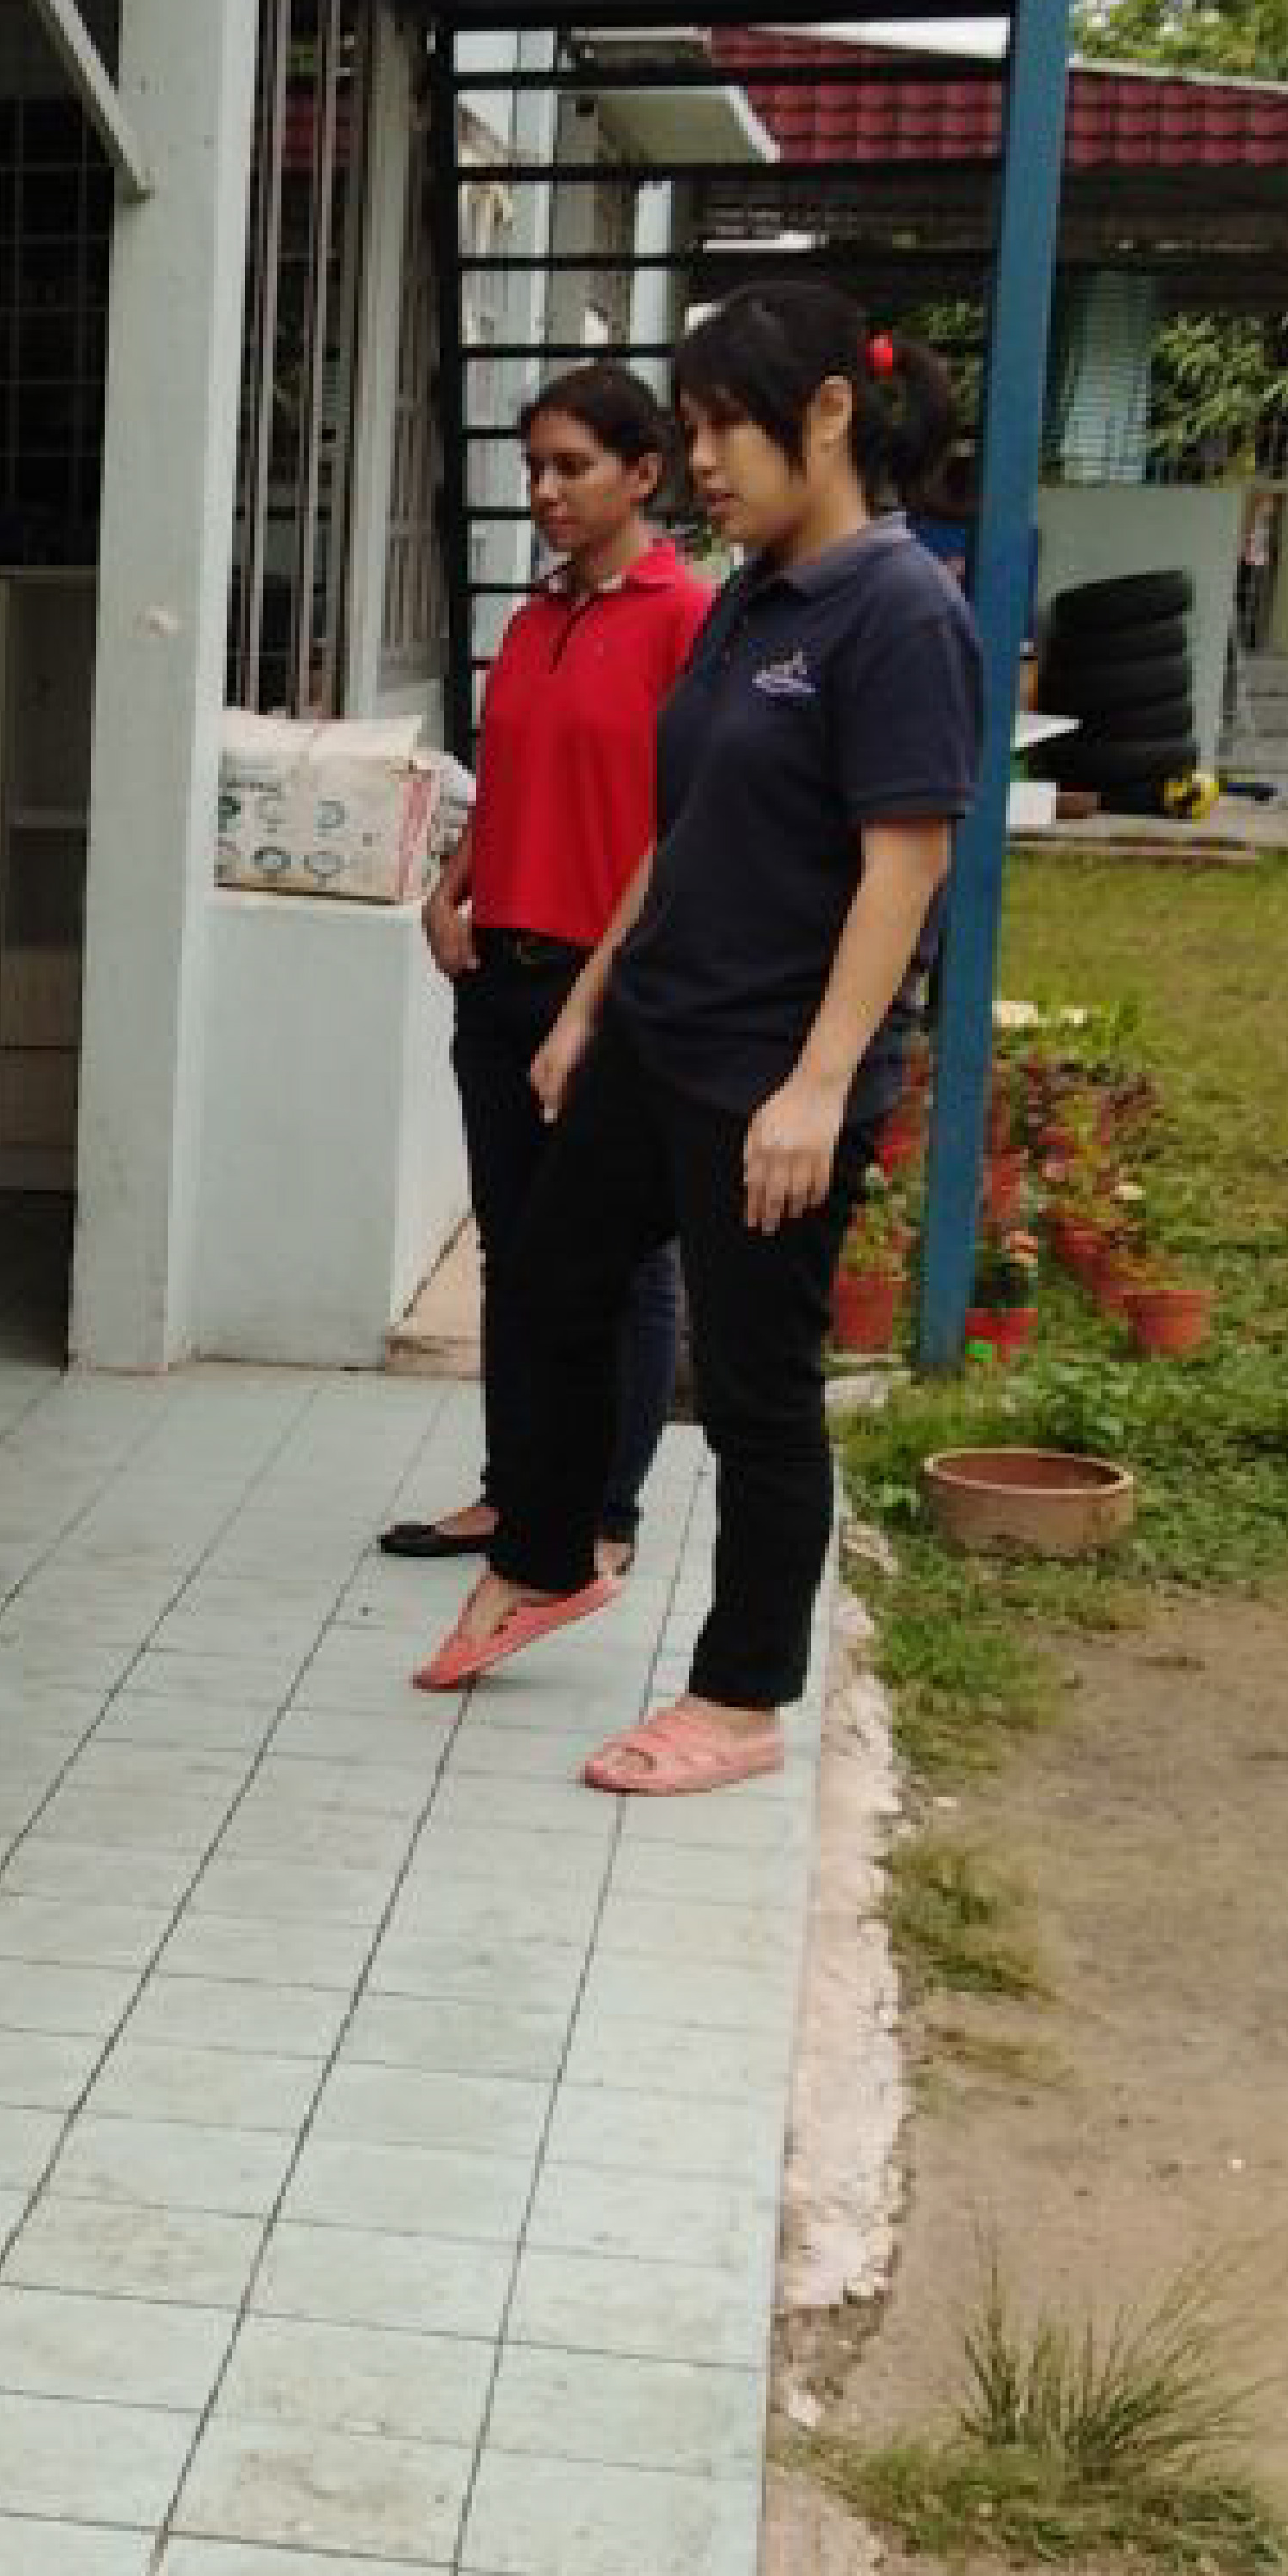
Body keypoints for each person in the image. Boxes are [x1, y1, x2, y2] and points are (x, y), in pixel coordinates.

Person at [417, 281, 982, 1795]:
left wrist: (814, 1088)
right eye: (693, 429)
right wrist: (591, 1006)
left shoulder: (901, 609)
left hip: (767, 1080)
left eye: (729, 427)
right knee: (542, 1281)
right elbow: (684, 829)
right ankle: (544, 1557)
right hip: (653, 1038)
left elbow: (905, 863)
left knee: (752, 1392)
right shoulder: (748, 596)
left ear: (829, 418)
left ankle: (740, 1699)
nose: (708, 460)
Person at [384, 364, 709, 1579]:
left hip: (610, 981)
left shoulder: (686, 617)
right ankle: (515, 1489)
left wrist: (606, 985)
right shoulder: (534, 616)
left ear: (643, 472)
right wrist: (449, 884)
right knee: (513, 1250)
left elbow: (684, 820)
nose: (546, 491)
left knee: (618, 1257)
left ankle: (602, 1507)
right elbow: (514, 775)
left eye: (572, 466)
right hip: (500, 966)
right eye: (533, 469)